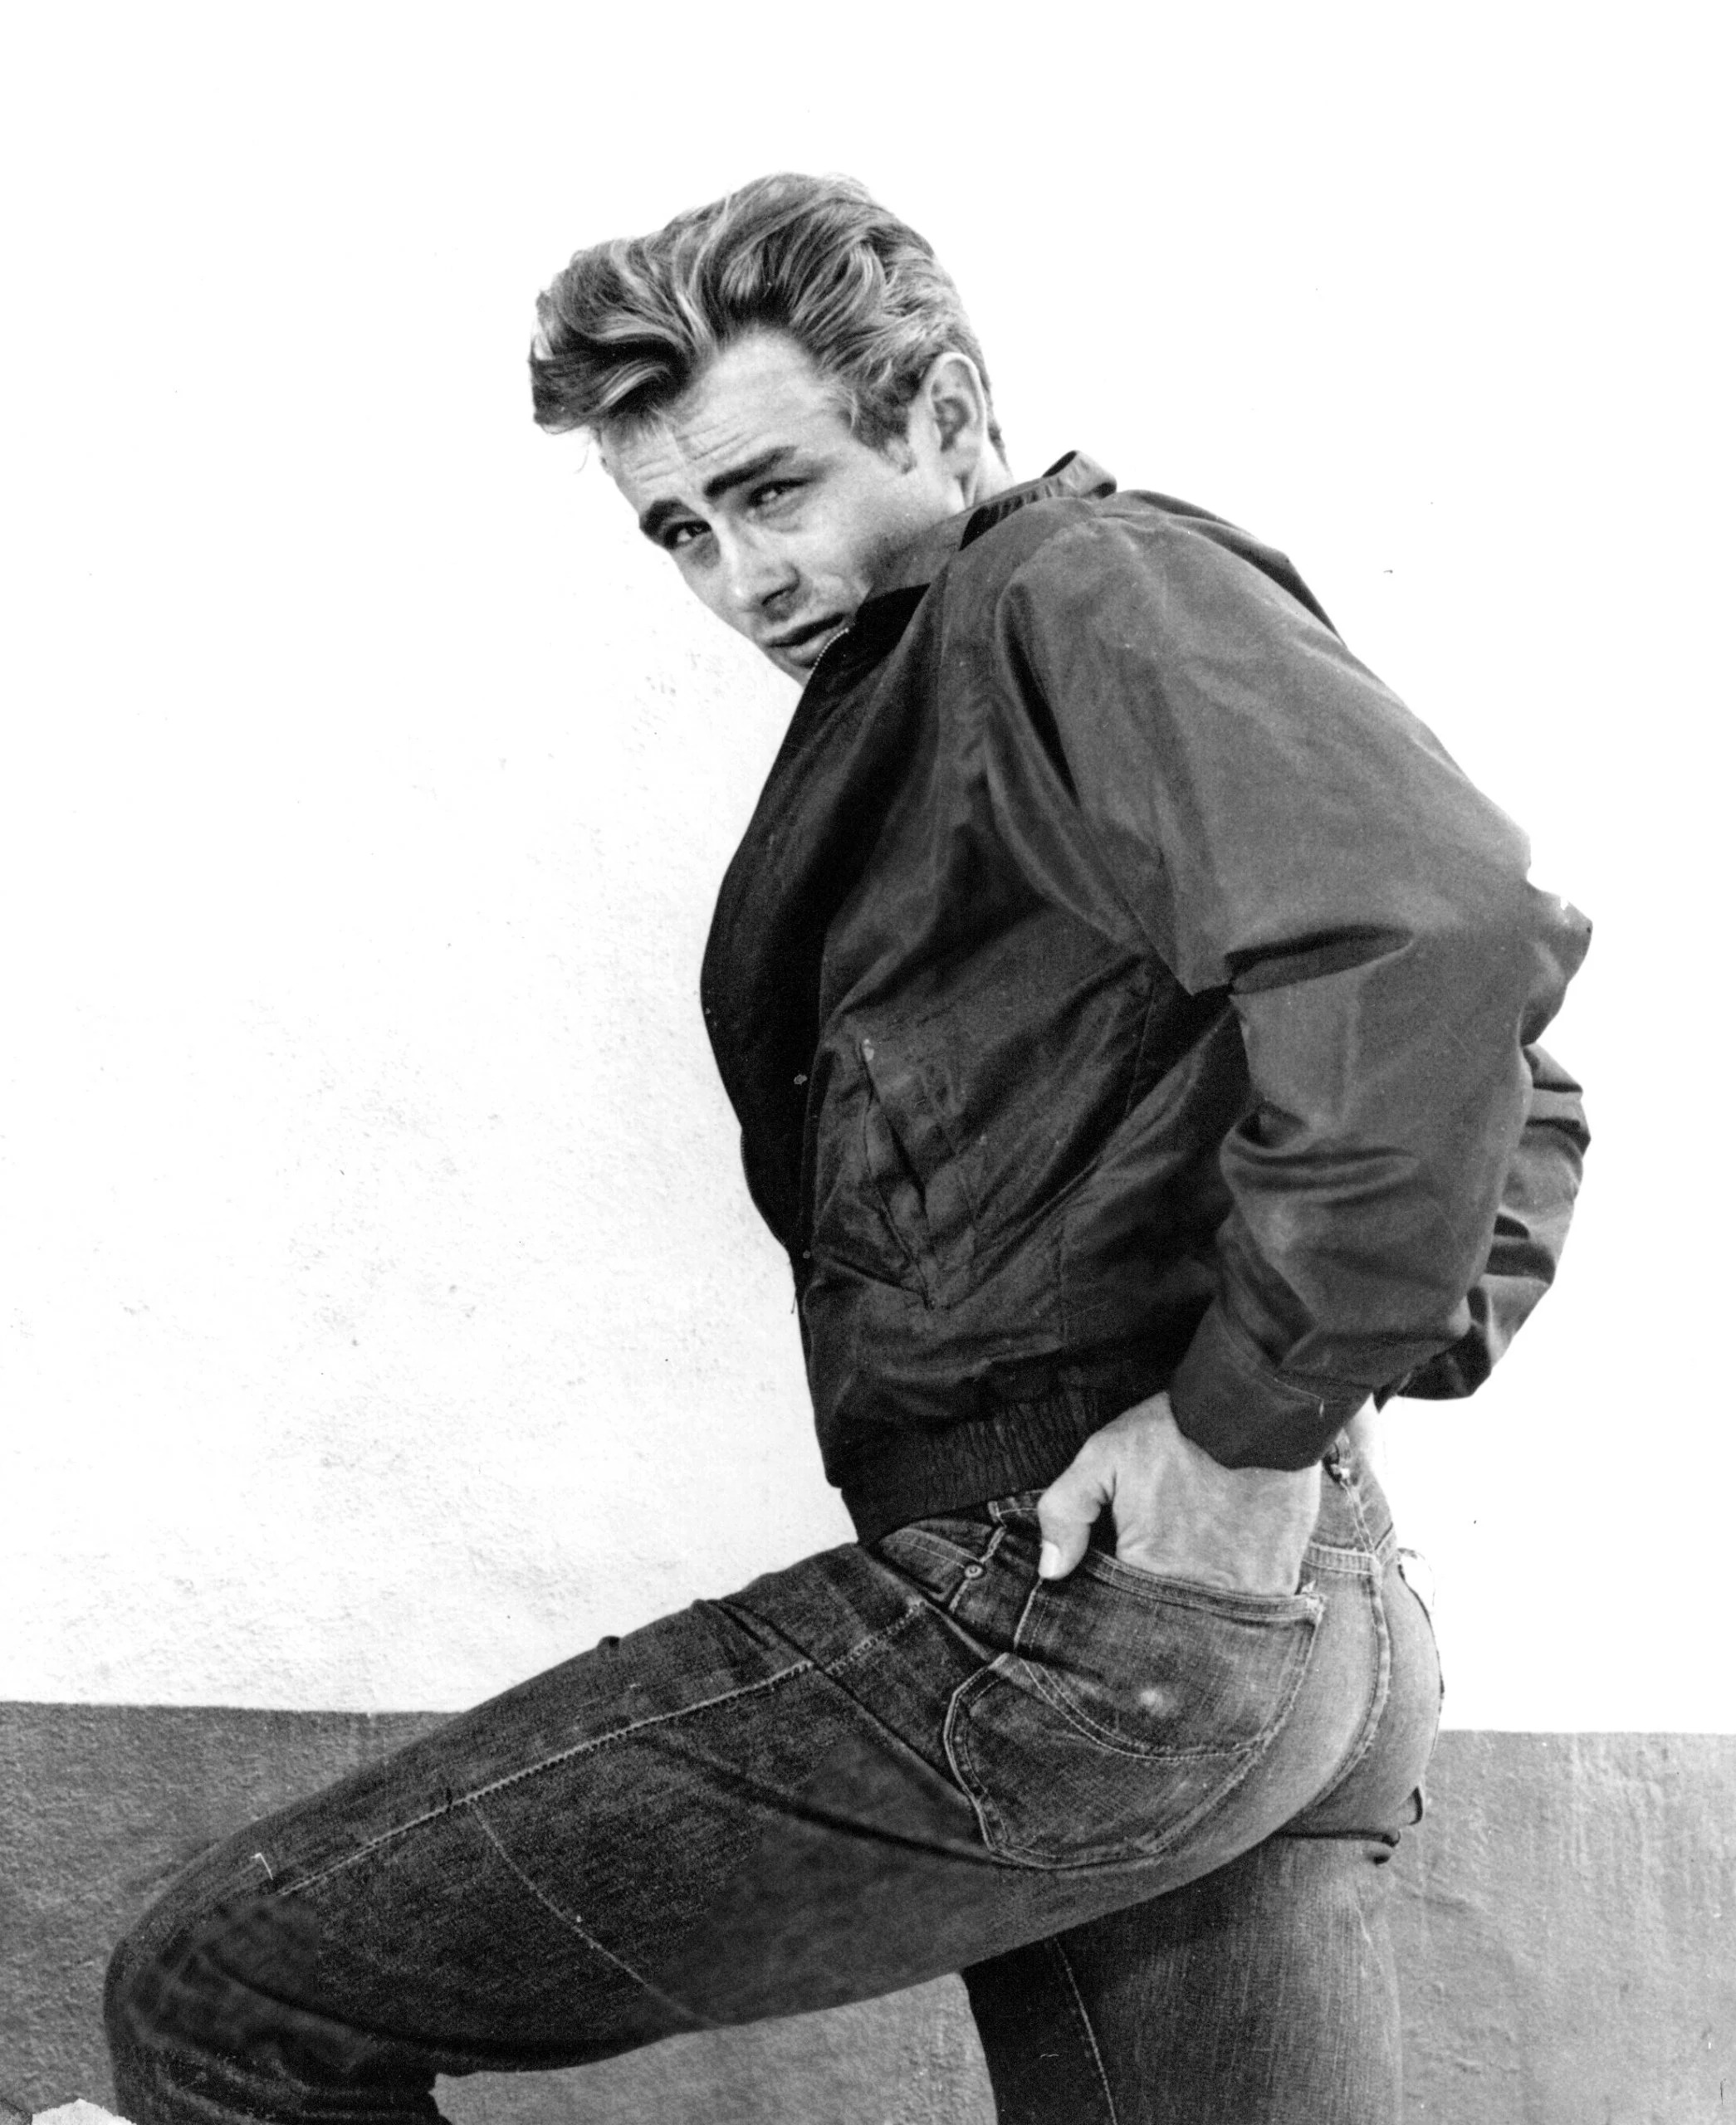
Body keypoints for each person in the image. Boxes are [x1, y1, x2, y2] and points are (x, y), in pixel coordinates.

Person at [106, 173, 1590, 2125]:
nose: (744, 578)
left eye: (774, 489)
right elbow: (1515, 1086)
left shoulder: (1074, 593)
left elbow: (1435, 941)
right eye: (680, 531)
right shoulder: (948, 679)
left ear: (945, 413)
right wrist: (1286, 1423)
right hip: (1254, 1604)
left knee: (222, 1998)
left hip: (1113, 1605)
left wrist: (1250, 1417)